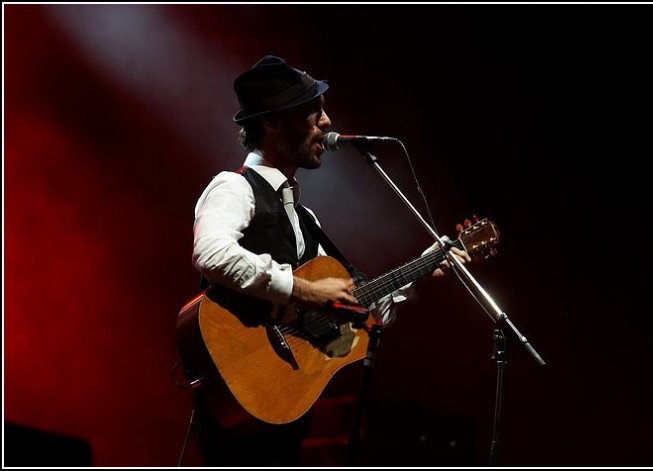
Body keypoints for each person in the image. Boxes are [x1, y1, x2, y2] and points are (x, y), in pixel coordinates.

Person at [187, 54, 471, 467]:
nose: (326, 122)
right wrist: (304, 290)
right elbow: (211, 253)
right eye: (312, 111)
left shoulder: (306, 218)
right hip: (238, 408)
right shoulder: (233, 188)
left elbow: (350, 308)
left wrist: (420, 271)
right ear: (272, 122)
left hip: (286, 409)